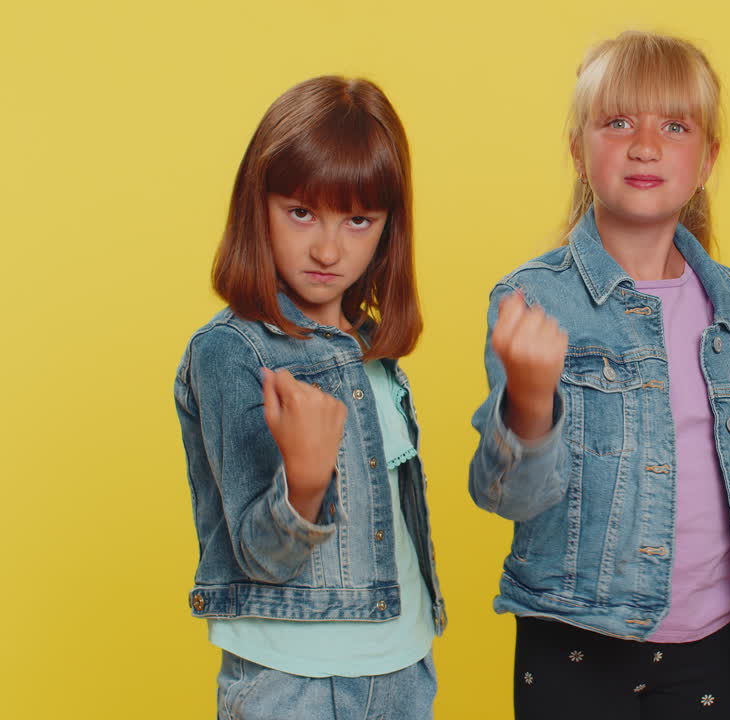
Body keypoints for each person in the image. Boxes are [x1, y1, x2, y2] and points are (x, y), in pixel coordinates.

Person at [468, 30, 730, 720]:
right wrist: (531, 408)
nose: (646, 145)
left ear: (708, 157)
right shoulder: (534, 300)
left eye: (675, 126)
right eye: (618, 121)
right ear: (577, 148)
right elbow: (505, 496)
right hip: (574, 640)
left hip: (715, 648)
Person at [174, 75, 444, 719]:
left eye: (358, 220)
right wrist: (302, 482)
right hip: (289, 681)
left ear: (388, 228)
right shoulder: (232, 352)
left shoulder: (373, 351)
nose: (327, 248)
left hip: (402, 666)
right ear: (257, 206)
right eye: (301, 212)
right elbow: (259, 554)